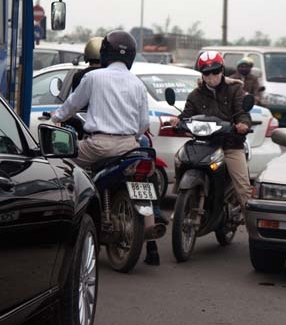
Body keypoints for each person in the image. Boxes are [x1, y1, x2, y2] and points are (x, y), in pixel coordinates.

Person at [50, 31, 161, 266]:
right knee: (143, 177)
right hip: (130, 146)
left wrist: (55, 118)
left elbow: (71, 105)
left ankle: (66, 220)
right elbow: (143, 125)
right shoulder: (138, 84)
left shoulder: (94, 77)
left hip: (97, 145)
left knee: (60, 164)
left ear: (105, 53)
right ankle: (150, 223)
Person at [168, 51, 253, 216]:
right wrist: (177, 120)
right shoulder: (195, 94)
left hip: (230, 145)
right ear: (201, 73)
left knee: (244, 190)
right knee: (180, 159)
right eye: (206, 72)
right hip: (203, 145)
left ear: (222, 70)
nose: (211, 75)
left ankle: (254, 234)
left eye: (215, 71)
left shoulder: (235, 89)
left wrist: (243, 124)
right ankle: (180, 199)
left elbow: (242, 112)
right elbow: (187, 115)